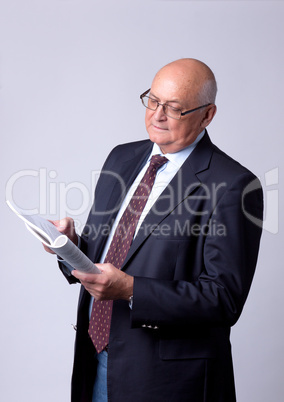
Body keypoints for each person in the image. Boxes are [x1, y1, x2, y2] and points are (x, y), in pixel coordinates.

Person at [46, 58, 263, 402]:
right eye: (153, 100)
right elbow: (109, 254)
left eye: (174, 108)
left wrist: (132, 290)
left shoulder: (234, 185)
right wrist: (70, 246)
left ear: (207, 115)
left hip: (167, 382)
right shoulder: (121, 158)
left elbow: (223, 299)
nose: (157, 115)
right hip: (96, 360)